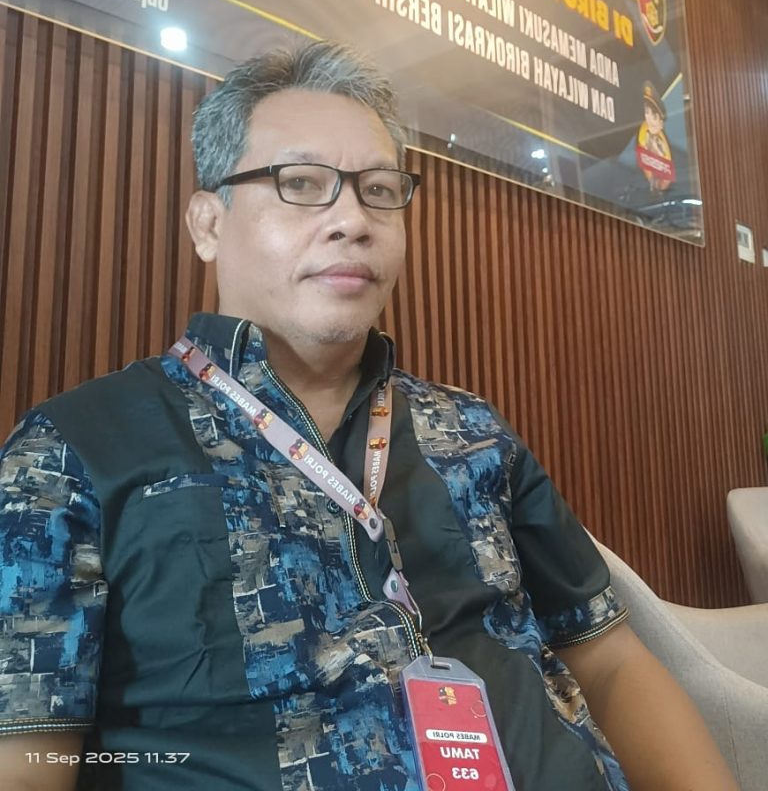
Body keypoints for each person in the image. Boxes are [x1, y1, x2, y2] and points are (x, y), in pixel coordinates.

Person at [0, 41, 735, 791]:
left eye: (379, 190)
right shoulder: (73, 450)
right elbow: (30, 760)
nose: (352, 219)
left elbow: (608, 659)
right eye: (301, 183)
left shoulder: (472, 431)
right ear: (208, 223)